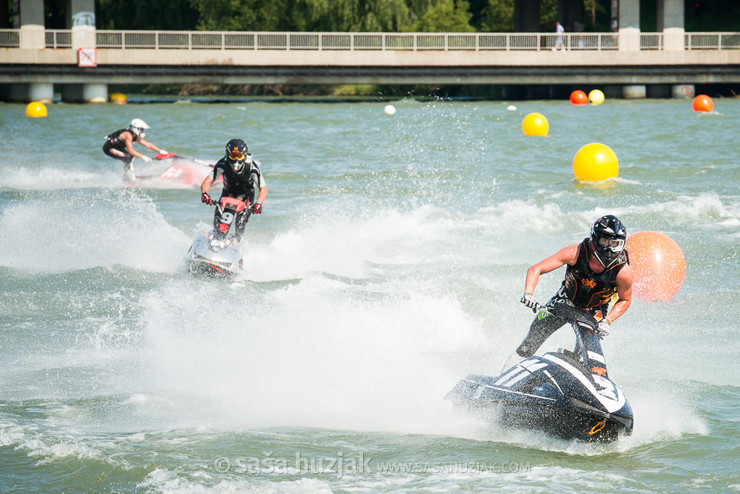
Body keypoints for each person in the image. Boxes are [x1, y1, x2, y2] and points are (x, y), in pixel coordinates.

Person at [501, 215, 634, 372]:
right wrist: (529, 294)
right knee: (529, 343)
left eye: (615, 243)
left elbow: (625, 299)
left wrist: (608, 321)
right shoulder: (574, 253)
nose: (609, 248)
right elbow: (536, 269)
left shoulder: (623, 272)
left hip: (595, 312)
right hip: (563, 301)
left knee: (584, 357)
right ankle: (502, 379)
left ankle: (574, 385)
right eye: (605, 241)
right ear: (595, 239)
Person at [200, 138, 267, 239]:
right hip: (228, 195)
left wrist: (258, 203)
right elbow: (207, 181)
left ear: (244, 155)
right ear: (228, 154)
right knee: (219, 227)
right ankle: (214, 242)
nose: (236, 160)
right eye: (233, 156)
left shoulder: (252, 168)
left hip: (246, 198)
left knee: (240, 226)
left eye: (239, 156)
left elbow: (263, 188)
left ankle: (236, 243)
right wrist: (205, 193)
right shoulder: (222, 164)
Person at [103, 119, 167, 181]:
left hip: (118, 148)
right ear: (136, 128)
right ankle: (130, 178)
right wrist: (143, 157)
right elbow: (131, 151)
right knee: (129, 157)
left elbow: (147, 144)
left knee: (129, 157)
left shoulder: (134, 135)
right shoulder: (128, 135)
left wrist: (160, 151)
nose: (142, 131)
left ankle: (127, 177)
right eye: (141, 129)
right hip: (109, 149)